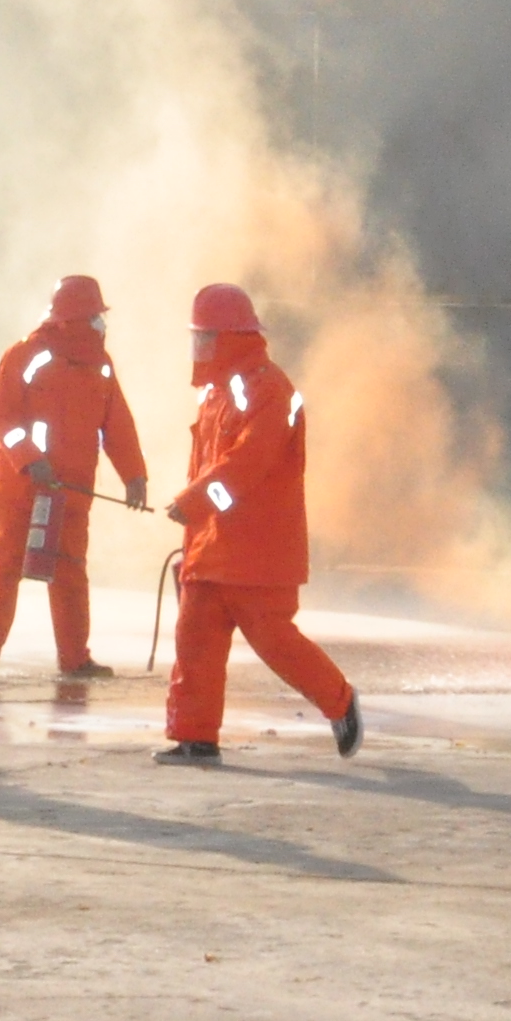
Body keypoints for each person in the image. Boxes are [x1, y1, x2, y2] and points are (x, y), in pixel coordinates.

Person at [157, 282, 363, 766]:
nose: (199, 347)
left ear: (229, 337)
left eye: (205, 337)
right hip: (212, 548)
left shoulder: (270, 390)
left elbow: (248, 463)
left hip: (259, 551)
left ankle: (341, 702)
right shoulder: (217, 394)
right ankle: (195, 737)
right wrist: (194, 519)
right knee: (195, 644)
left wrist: (194, 503)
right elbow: (215, 468)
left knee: (275, 642)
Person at [0, 272, 148, 687]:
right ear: (77, 318)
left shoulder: (100, 365)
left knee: (69, 571)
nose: (102, 324)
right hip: (23, 488)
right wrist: (30, 460)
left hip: (72, 491)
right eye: (96, 316)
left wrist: (134, 473)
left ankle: (74, 658)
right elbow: (2, 415)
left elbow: (116, 424)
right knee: (7, 565)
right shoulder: (26, 355)